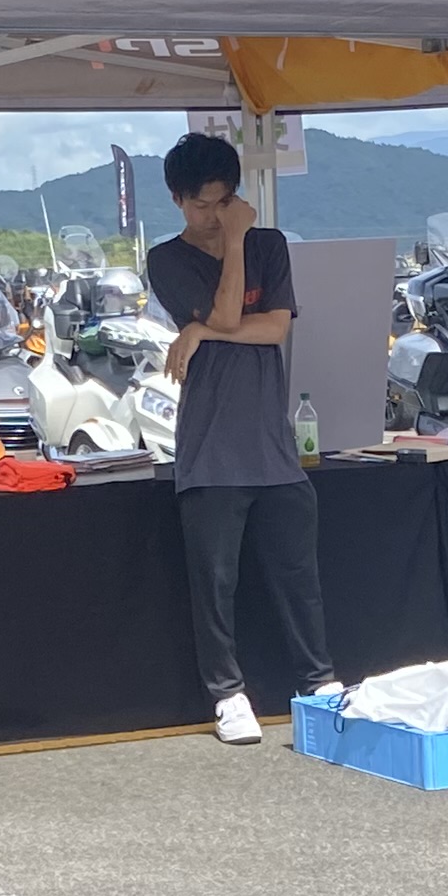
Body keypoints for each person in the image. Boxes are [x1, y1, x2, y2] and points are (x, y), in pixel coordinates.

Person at [144, 131, 330, 746]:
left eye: (224, 203)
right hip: (210, 447)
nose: (214, 216)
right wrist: (232, 249)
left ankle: (318, 682)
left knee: (297, 575)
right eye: (201, 205)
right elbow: (228, 315)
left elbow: (275, 329)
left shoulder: (269, 245)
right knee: (215, 583)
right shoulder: (167, 259)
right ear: (178, 200)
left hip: (272, 445)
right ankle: (227, 694)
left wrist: (201, 332)